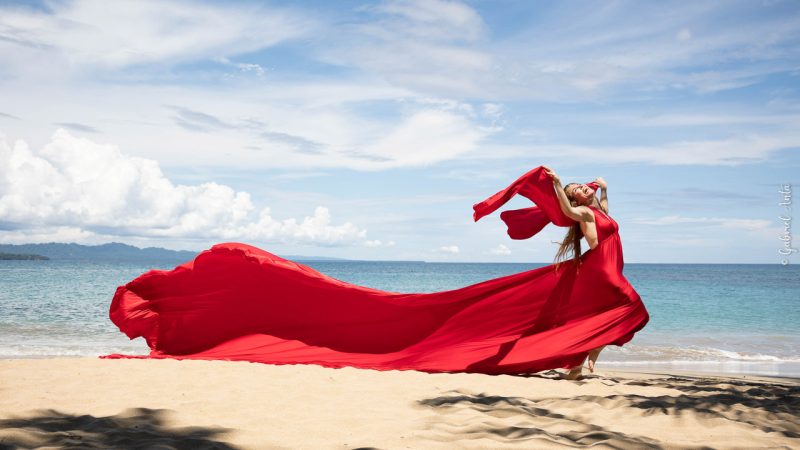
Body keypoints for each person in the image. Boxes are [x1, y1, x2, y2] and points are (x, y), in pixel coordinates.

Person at [543, 165, 610, 379]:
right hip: (603, 267)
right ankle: (594, 350)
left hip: (611, 265)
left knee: (605, 313)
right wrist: (557, 184)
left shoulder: (597, 211)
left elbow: (606, 211)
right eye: (577, 191)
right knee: (631, 308)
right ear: (576, 200)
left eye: (581, 185)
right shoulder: (584, 213)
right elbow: (568, 211)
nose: (582, 188)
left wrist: (604, 190)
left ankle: (576, 365)